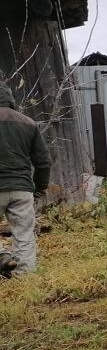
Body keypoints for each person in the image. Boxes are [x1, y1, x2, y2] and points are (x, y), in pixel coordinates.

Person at [0, 80, 50, 276]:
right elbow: (44, 162)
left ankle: (2, 256)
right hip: (21, 188)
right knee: (24, 234)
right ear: (10, 98)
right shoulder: (28, 123)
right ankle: (24, 277)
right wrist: (39, 188)